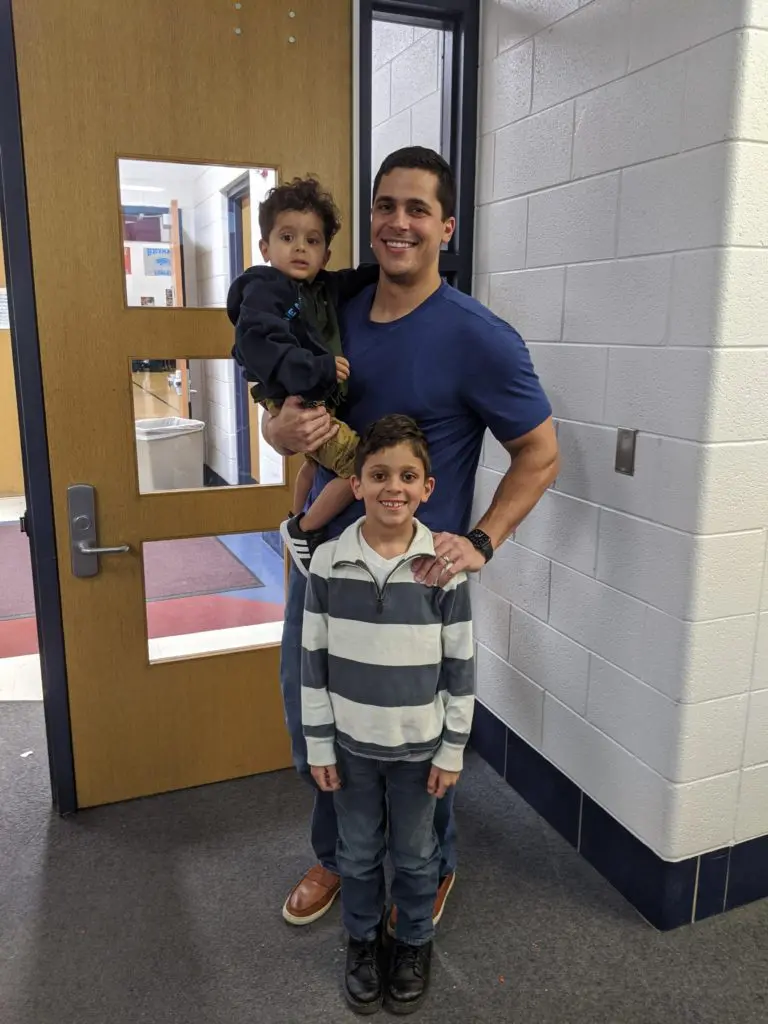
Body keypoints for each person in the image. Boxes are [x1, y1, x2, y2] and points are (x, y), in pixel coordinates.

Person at [264, 146, 559, 932]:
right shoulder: (337, 312)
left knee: (419, 739)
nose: (399, 222)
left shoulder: (479, 337)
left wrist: (484, 541)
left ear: (446, 226)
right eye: (386, 206)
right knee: (316, 717)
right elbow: (292, 423)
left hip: (421, 581)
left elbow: (541, 452)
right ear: (371, 218)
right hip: (328, 566)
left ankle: (431, 868)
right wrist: (276, 427)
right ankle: (335, 853)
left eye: (417, 209)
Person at [302, 414, 474, 1015]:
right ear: (356, 483)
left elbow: (461, 669)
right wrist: (320, 746)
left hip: (419, 753)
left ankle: (412, 945)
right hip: (350, 750)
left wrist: (451, 750)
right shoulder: (327, 563)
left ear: (428, 487)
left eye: (407, 475)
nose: (391, 487)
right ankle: (362, 942)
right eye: (378, 474)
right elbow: (312, 667)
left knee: (418, 853)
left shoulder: (443, 568)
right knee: (356, 853)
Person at [227, 176, 377, 576]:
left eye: (312, 241)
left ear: (325, 255)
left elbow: (350, 280)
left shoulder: (320, 286)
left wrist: (384, 270)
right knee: (360, 466)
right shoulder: (265, 292)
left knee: (314, 461)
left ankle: (294, 514)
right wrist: (320, 368)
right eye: (287, 237)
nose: (299, 248)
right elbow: (262, 343)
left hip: (310, 394)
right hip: (295, 391)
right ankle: (305, 529)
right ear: (265, 247)